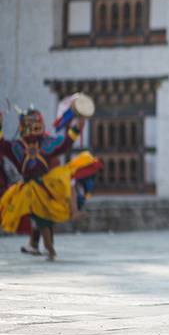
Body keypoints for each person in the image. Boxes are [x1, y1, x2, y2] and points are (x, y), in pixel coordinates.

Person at [0, 107, 99, 261]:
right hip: (28, 189)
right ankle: (46, 248)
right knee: (41, 218)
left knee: (45, 216)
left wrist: (78, 125)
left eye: (37, 121)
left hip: (45, 184)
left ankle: (45, 246)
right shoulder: (17, 147)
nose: (35, 125)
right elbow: (2, 145)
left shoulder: (45, 143)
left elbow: (65, 143)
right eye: (32, 122)